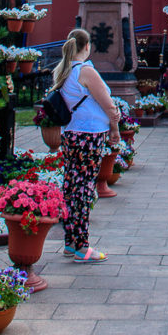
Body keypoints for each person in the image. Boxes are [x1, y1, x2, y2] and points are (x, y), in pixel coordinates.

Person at [52, 28, 120, 262]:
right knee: (83, 188)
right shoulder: (86, 71)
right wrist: (115, 130)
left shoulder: (63, 71)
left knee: (71, 187)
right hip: (89, 136)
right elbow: (109, 106)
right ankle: (82, 246)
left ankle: (70, 242)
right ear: (87, 46)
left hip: (70, 135)